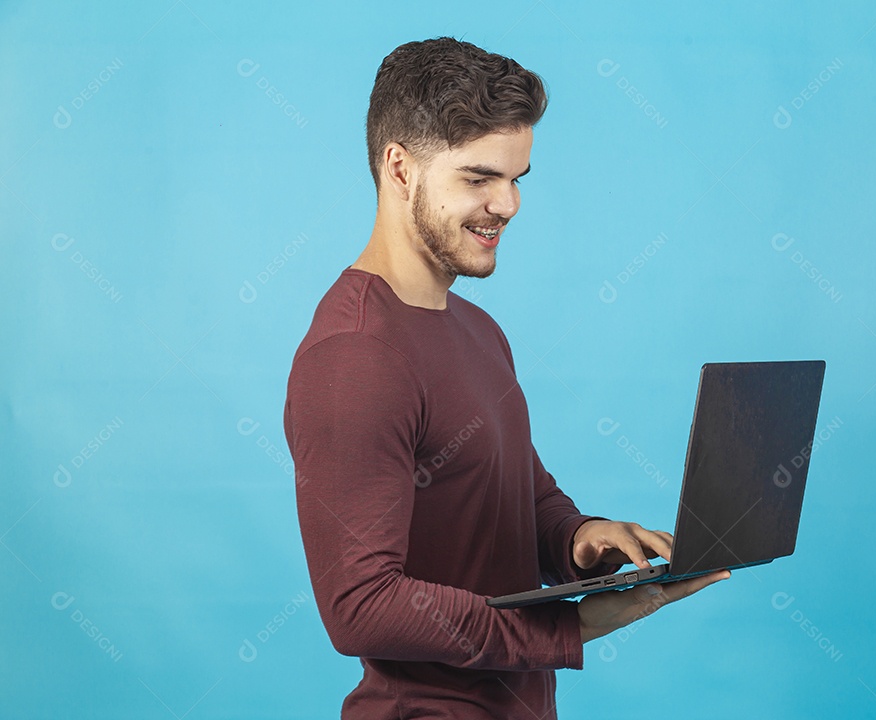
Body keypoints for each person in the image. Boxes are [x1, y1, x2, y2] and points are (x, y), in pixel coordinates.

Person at [282, 36, 730, 719]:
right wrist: (574, 626)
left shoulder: (477, 330)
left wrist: (582, 539)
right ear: (399, 168)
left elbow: (519, 495)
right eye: (479, 178)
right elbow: (361, 609)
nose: (509, 204)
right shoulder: (354, 355)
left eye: (517, 178)